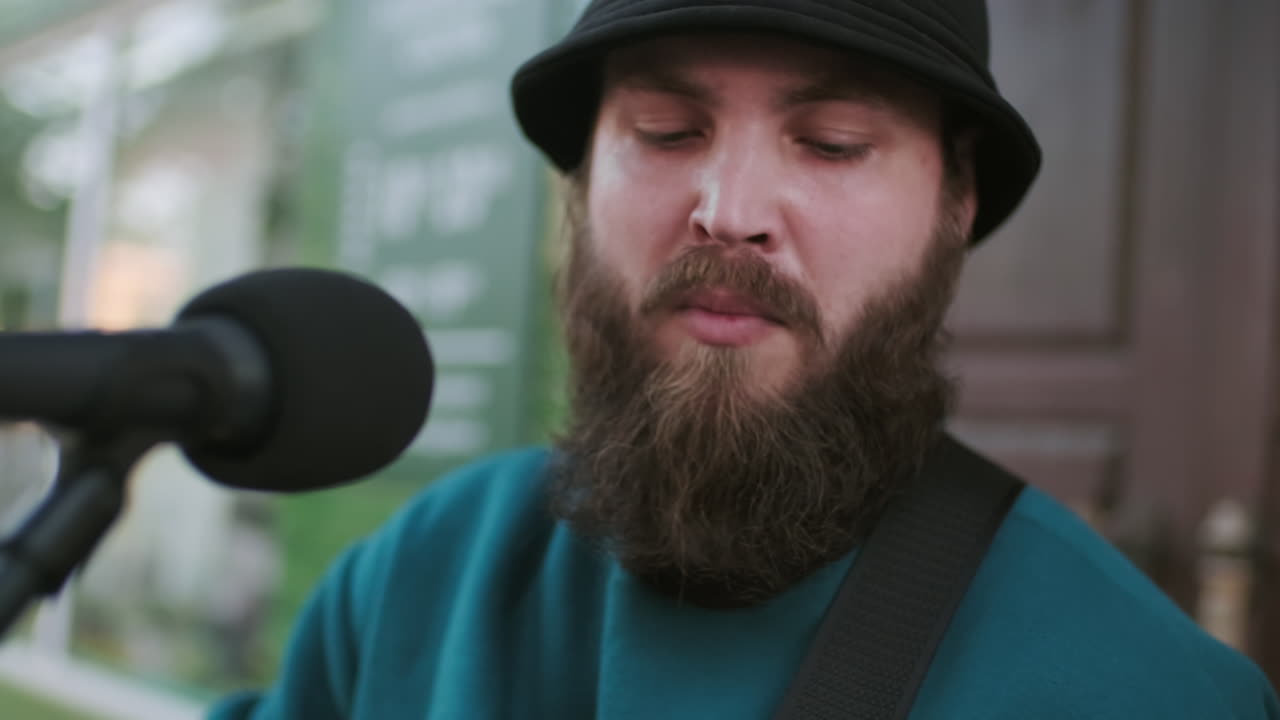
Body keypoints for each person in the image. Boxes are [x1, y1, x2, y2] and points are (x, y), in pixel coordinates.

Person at [210, 1, 1279, 718]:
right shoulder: (417, 584)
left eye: (831, 142)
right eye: (666, 130)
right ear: (580, 183)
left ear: (954, 203)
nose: (728, 213)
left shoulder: (1140, 689)